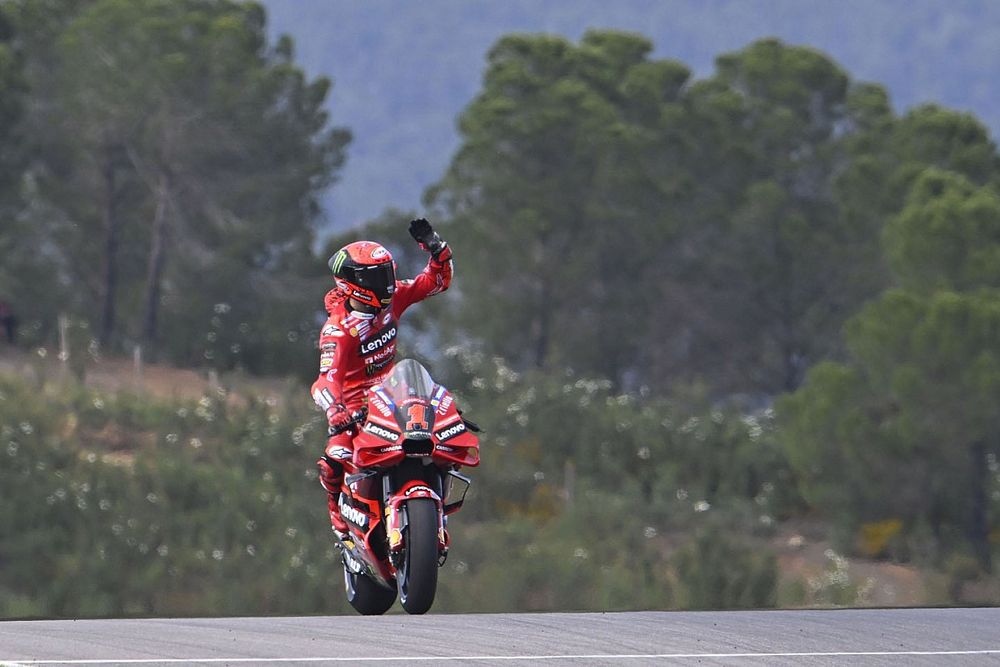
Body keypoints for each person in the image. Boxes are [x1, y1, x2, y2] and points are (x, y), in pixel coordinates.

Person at [311, 218, 453, 539]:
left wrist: (435, 246)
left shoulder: (395, 299)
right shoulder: (339, 330)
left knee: (440, 444)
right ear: (354, 284)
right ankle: (338, 515)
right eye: (378, 277)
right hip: (354, 414)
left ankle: (436, 513)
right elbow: (324, 382)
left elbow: (437, 281)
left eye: (388, 273)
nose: (388, 283)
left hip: (394, 399)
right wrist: (337, 413)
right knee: (335, 460)